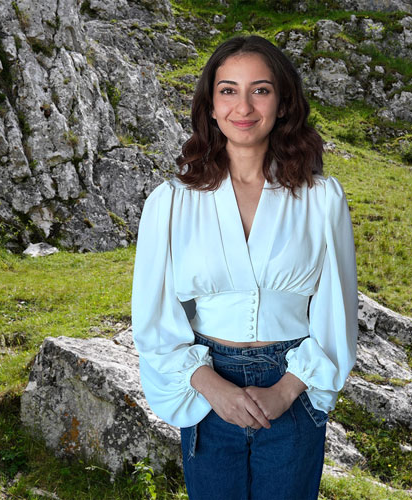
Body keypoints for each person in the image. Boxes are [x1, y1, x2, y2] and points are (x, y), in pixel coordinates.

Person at [131, 35, 358, 500]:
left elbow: (337, 309)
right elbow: (152, 319)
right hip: (208, 385)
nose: (244, 106)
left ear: (282, 102)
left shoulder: (321, 199)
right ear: (211, 105)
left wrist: (287, 389)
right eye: (228, 90)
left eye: (261, 89)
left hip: (293, 387)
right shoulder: (171, 202)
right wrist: (213, 387)